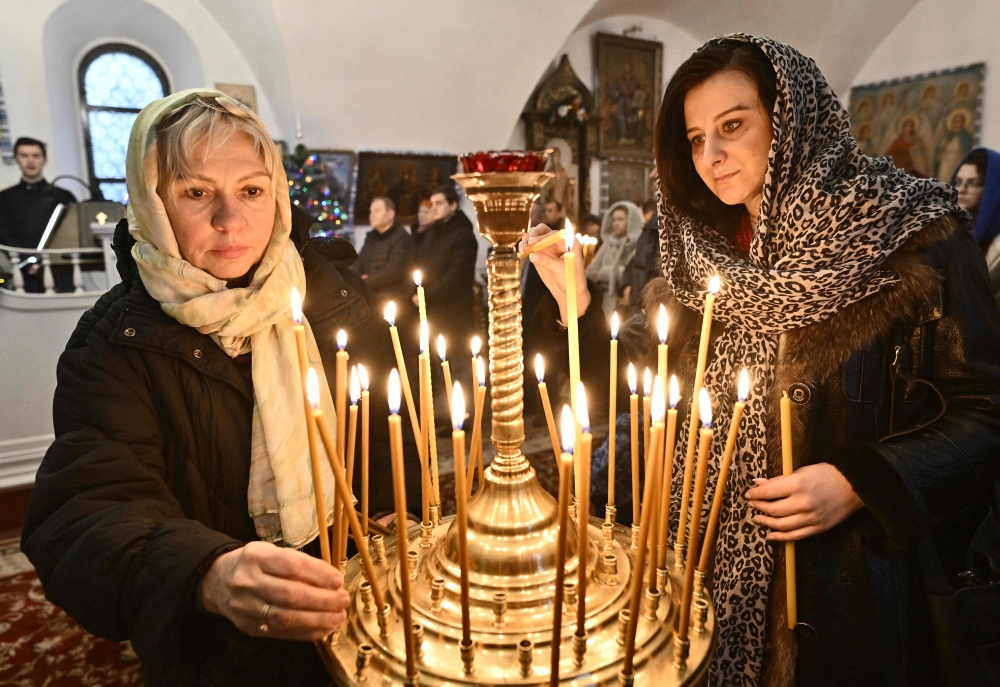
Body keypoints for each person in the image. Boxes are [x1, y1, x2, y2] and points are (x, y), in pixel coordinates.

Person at [527, 35, 1000, 686]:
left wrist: (862, 481)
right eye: (694, 138)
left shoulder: (914, 236)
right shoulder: (704, 249)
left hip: (844, 592)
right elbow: (652, 375)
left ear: (792, 119)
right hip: (696, 560)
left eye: (732, 125)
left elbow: (985, 414)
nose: (711, 157)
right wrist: (579, 309)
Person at [21, 90, 420, 686]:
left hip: (364, 611)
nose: (231, 220)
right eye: (196, 192)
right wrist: (205, 572)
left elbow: (393, 421)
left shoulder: (330, 298)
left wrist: (397, 508)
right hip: (221, 652)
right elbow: (83, 515)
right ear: (153, 202)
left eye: (252, 191)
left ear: (277, 194)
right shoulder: (113, 343)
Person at [414, 183, 478, 417]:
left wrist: (425, 294)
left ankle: (463, 413)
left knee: (457, 363)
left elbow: (457, 275)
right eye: (432, 204)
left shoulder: (463, 235)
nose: (434, 208)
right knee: (438, 363)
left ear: (453, 205)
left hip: (454, 311)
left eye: (439, 203)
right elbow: (422, 265)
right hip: (431, 309)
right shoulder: (432, 233)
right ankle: (443, 413)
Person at [0, 137, 78, 292]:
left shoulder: (63, 196)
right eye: (24, 155)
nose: (30, 161)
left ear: (45, 160)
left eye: (36, 156)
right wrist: (28, 261)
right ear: (16, 159)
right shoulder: (4, 198)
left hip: (61, 270)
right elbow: (3, 233)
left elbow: (72, 234)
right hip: (24, 273)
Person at [951, 147, 1000, 303]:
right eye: (958, 182)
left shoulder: (997, 246)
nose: (962, 190)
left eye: (974, 183)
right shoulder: (946, 232)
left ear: (993, 189)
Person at [354, 195, 415, 311]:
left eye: (377, 211)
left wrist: (365, 281)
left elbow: (394, 270)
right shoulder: (371, 237)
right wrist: (355, 278)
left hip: (393, 299)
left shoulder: (402, 237)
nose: (372, 215)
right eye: (370, 211)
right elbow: (359, 261)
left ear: (390, 214)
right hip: (370, 296)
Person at [585, 200, 643, 317]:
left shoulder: (638, 244)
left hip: (624, 300)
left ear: (630, 221)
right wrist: (615, 272)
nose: (616, 223)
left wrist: (603, 273)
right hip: (604, 298)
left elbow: (632, 274)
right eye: (614, 219)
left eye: (620, 219)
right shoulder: (608, 243)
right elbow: (591, 271)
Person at [619, 198, 660, 313]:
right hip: (638, 304)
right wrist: (626, 286)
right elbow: (636, 260)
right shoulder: (650, 227)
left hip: (653, 306)